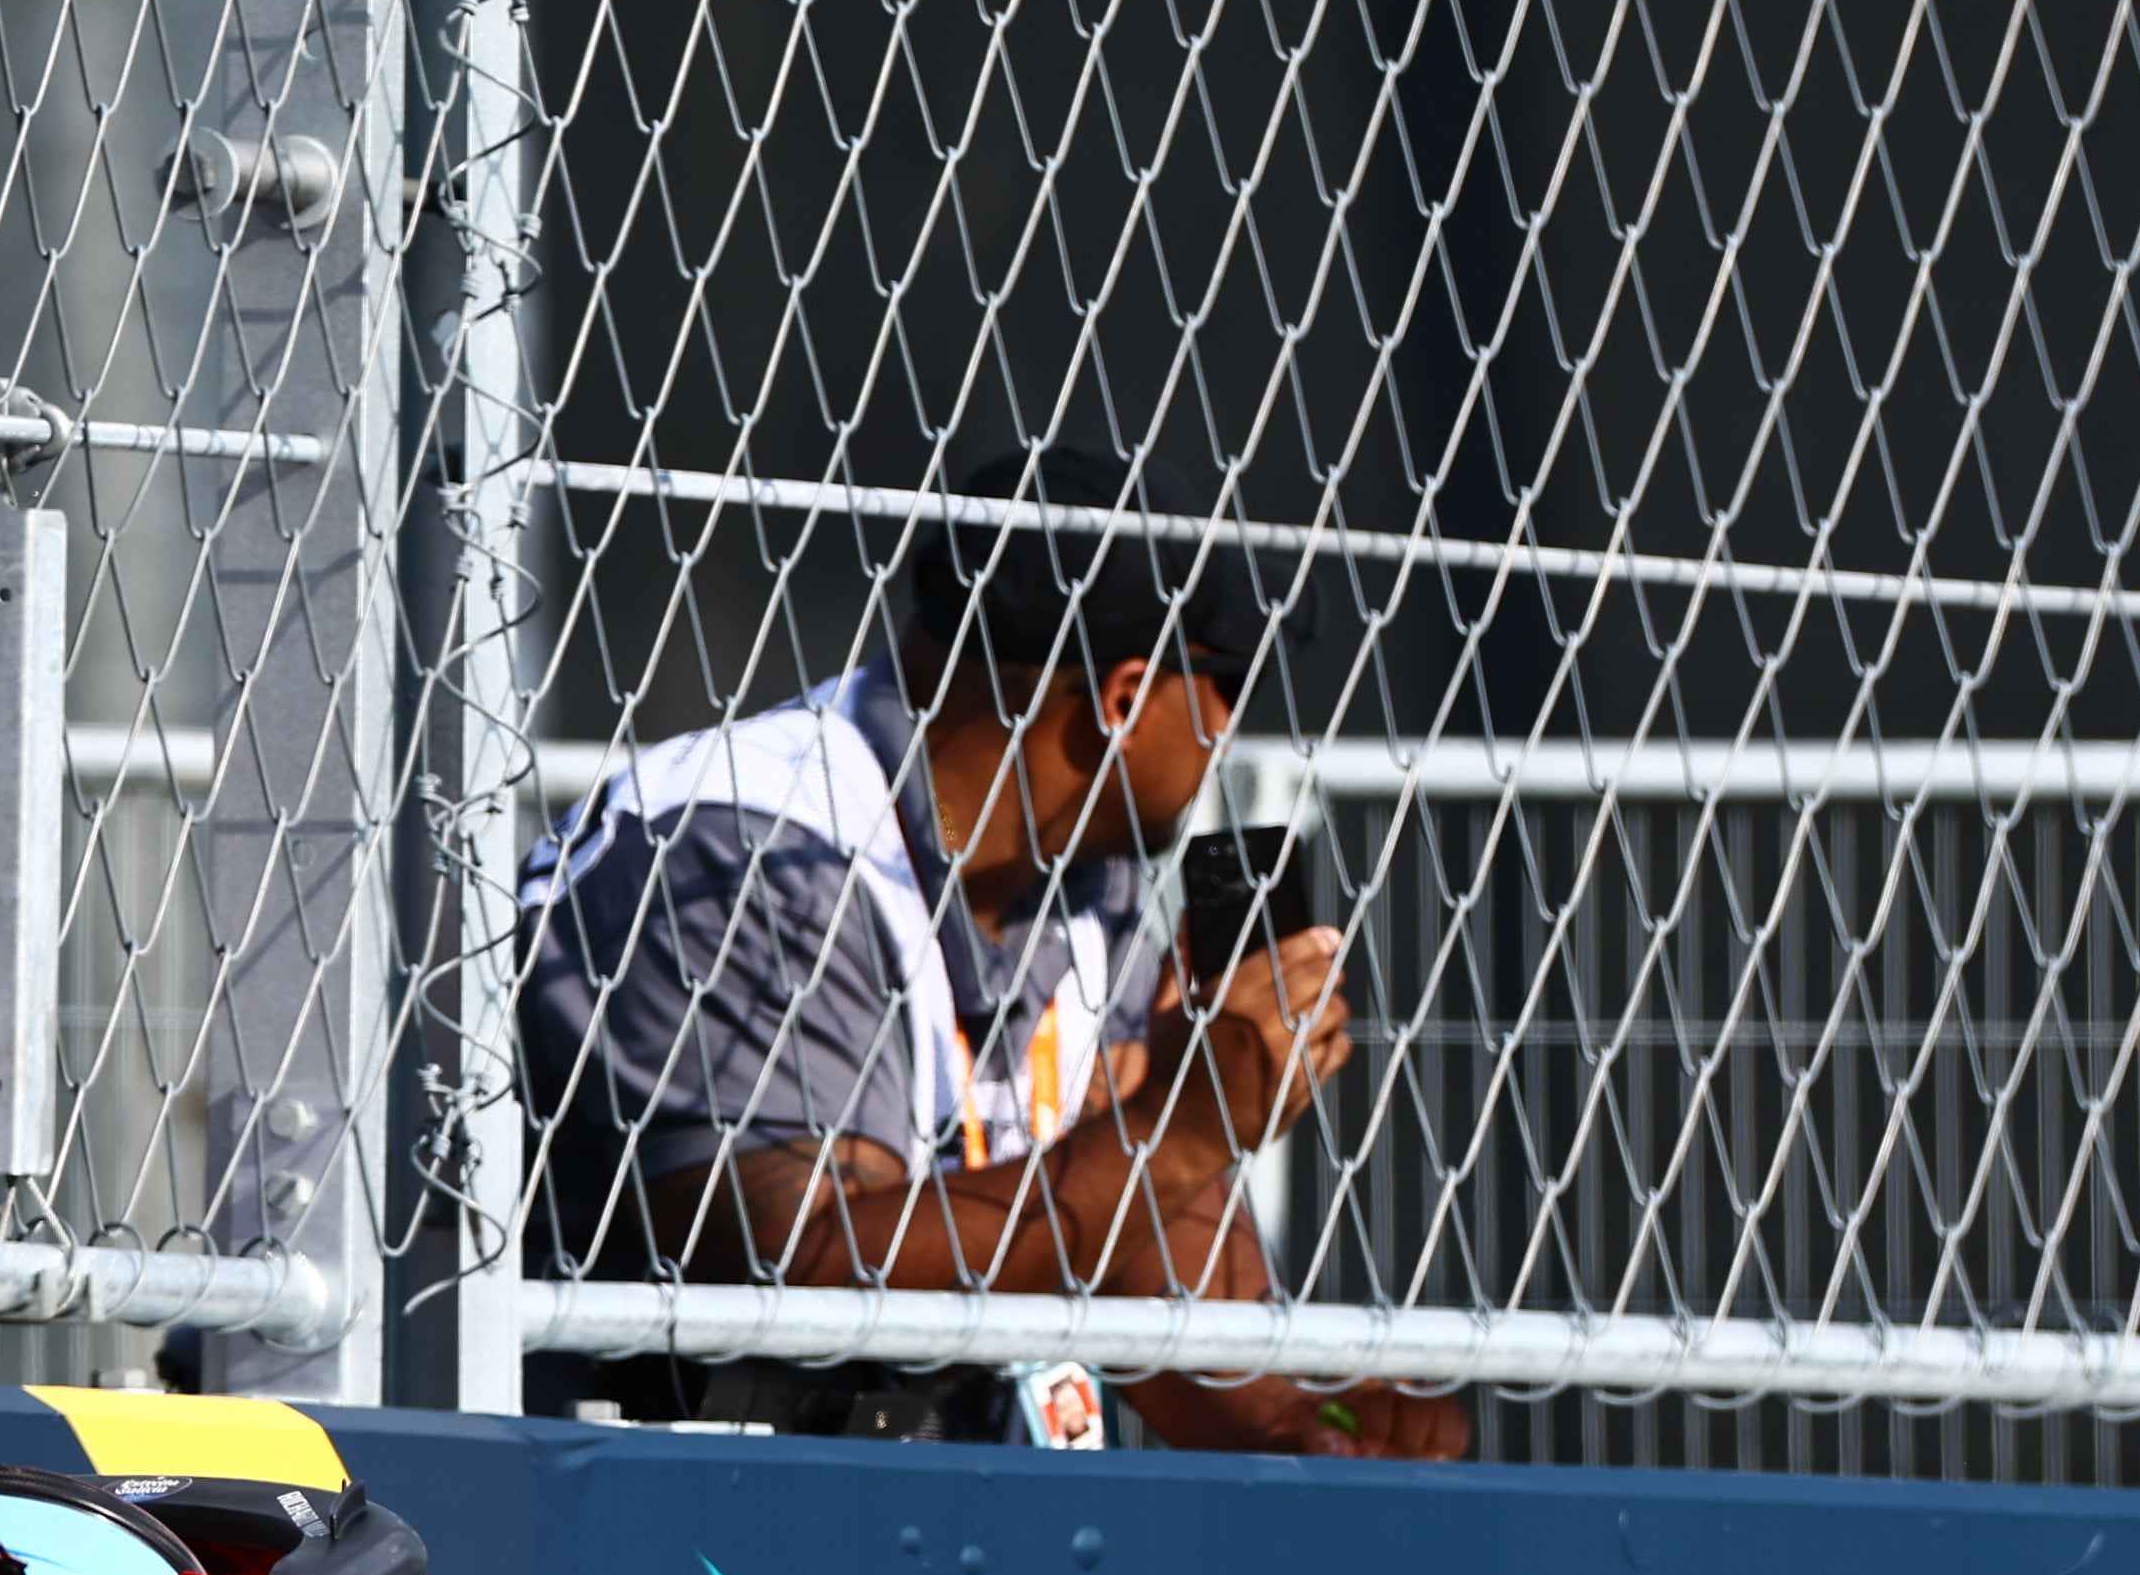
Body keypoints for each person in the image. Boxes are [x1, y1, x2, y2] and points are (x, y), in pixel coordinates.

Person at [516, 444, 1460, 1457]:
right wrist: (1180, 1124)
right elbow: (805, 1278)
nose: (1232, 730)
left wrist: (1297, 1416)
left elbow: (1131, 1233)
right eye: (1227, 682)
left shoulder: (1079, 873)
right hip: (651, 1510)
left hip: (918, 1506)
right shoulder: (755, 847)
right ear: (1125, 699)